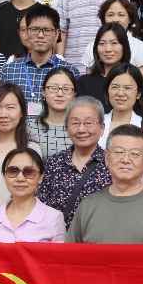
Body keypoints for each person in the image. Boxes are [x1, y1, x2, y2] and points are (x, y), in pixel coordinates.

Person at [65, 124, 143, 244]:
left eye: (134, 154)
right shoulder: (88, 205)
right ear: (106, 157)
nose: (126, 160)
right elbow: (69, 253)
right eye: (119, 152)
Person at [39, 96, 112, 226]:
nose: (81, 129)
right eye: (75, 123)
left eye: (88, 123)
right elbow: (42, 204)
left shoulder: (111, 163)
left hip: (99, 237)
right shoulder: (55, 162)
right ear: (67, 127)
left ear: (102, 127)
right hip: (60, 237)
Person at [0, 3, 79, 117]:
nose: (40, 35)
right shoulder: (9, 70)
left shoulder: (70, 71)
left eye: (47, 30)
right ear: (27, 32)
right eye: (34, 29)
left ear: (56, 34)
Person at [0, 82, 40, 209]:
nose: (3, 114)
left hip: (15, 219)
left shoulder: (32, 150)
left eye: (10, 107)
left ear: (22, 112)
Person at [0, 148, 67, 243]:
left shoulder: (54, 218)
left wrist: (30, 250)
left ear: (40, 177)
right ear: (4, 176)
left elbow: (59, 253)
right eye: (13, 171)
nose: (20, 178)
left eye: (29, 172)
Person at [76, 23, 132, 110]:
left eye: (114, 43)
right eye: (102, 43)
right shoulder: (84, 82)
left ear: (124, 46)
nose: (108, 49)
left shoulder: (133, 79)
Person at [98, 0, 143, 81]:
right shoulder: (92, 46)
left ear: (130, 18)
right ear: (103, 18)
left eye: (121, 15)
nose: (115, 19)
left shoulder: (142, 48)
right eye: (110, 15)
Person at [101, 63, 143, 144]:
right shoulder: (96, 123)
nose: (120, 93)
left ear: (139, 93)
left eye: (127, 88)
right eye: (115, 87)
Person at [28, 66, 77, 157]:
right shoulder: (29, 127)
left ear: (74, 94)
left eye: (66, 89)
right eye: (54, 88)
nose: (60, 94)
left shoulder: (80, 129)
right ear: (43, 92)